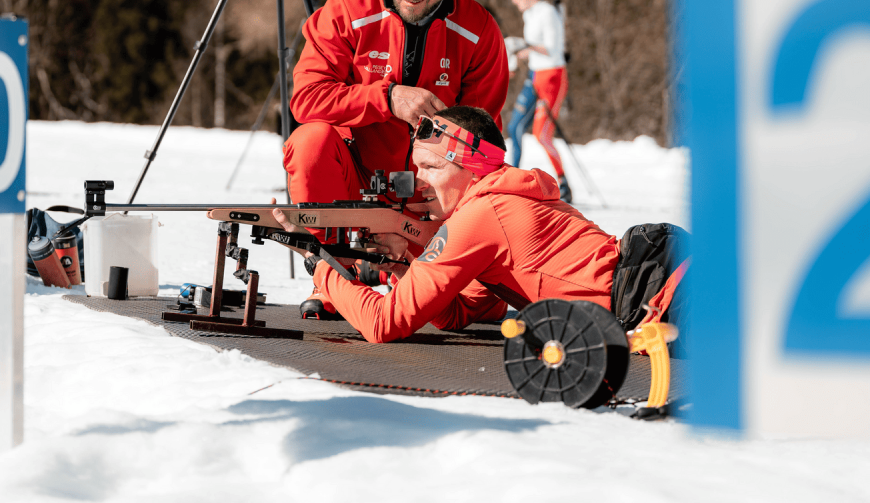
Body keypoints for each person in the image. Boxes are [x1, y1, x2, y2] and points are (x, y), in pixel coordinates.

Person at [277, 106, 684, 344]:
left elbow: (384, 324)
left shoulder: (481, 215)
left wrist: (319, 265)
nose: (416, 182)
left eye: (431, 168)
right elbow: (456, 314)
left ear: (470, 168)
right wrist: (405, 266)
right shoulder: (502, 198)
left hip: (663, 294)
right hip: (659, 280)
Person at [284, 0, 510, 318]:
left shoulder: (479, 31)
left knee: (482, 307)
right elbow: (307, 99)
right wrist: (386, 98)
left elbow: (482, 151)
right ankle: (337, 273)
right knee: (309, 142)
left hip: (430, 201)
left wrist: (433, 210)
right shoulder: (346, 8)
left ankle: (414, 269)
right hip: (354, 186)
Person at [507, 0, 572, 203]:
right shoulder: (529, 15)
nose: (514, 1)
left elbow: (552, 49)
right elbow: (534, 48)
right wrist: (518, 56)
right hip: (535, 76)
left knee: (541, 134)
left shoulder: (546, 12)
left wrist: (526, 47)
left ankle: (563, 183)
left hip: (552, 76)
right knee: (514, 126)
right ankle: (509, 179)